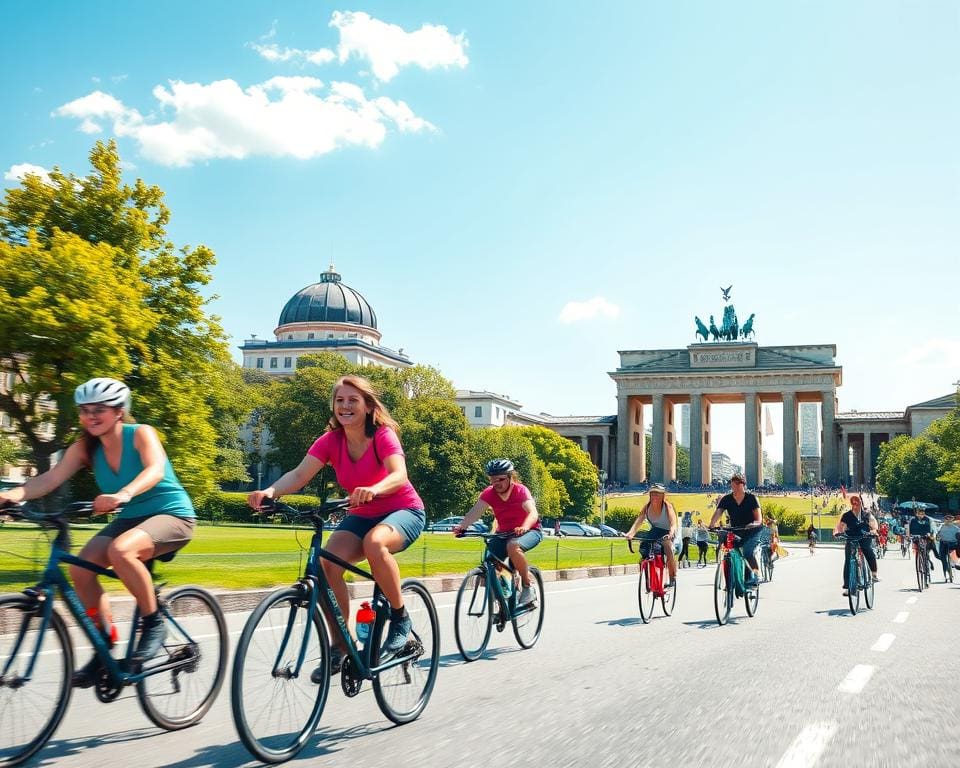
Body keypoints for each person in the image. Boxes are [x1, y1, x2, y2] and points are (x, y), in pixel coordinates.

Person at [0, 378, 196, 688]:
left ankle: (153, 622)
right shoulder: (85, 447)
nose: (91, 416)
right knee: (80, 569)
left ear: (119, 412)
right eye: (85, 410)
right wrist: (12, 495)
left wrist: (124, 494)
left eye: (99, 410)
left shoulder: (140, 434)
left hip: (172, 515)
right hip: (131, 519)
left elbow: (155, 469)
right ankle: (104, 642)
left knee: (122, 550)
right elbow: (50, 479)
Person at [247, 375, 425, 681]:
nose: (345, 406)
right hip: (361, 512)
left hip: (403, 510)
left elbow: (399, 475)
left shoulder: (382, 435)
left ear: (368, 406)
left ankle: (400, 617)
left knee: (375, 543)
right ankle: (341, 646)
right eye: (340, 400)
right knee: (325, 565)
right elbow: (300, 473)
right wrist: (271, 492)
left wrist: (375, 488)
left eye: (353, 400)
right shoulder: (330, 441)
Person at [454, 458, 543, 606]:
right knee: (490, 562)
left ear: (510, 477)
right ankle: (505, 589)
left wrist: (525, 527)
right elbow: (474, 512)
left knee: (513, 546)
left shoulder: (520, 491)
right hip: (503, 533)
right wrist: (462, 526)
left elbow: (533, 513)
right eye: (492, 480)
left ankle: (528, 587)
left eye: (500, 479)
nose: (496, 484)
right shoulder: (489, 493)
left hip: (530, 531)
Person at [709, 473, 763, 586]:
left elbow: (759, 519)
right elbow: (718, 512)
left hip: (752, 531)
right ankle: (732, 577)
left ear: (743, 485)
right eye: (733, 485)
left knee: (748, 552)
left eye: (738, 485)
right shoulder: (727, 499)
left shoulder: (751, 498)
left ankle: (756, 575)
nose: (735, 487)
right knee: (731, 550)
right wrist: (712, 525)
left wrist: (753, 524)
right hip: (736, 530)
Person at [624, 484, 678, 585]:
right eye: (652, 494)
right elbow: (639, 521)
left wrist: (671, 533)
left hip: (667, 531)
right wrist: (631, 533)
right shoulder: (647, 507)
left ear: (663, 496)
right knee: (644, 545)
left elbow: (673, 522)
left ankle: (672, 577)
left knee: (668, 549)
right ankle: (647, 568)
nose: (655, 497)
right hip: (655, 530)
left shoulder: (667, 506)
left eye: (657, 494)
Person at [832, 494, 879, 595]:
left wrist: (874, 531)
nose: (855, 505)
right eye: (853, 503)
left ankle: (874, 574)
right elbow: (840, 526)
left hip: (864, 537)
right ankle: (848, 587)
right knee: (848, 560)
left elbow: (873, 524)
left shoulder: (867, 514)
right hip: (851, 538)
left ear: (861, 503)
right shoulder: (847, 515)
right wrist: (837, 532)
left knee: (868, 550)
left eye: (857, 503)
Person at [907, 508, 936, 574]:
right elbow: (908, 528)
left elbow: (932, 529)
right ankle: (920, 561)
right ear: (916, 513)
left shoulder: (928, 519)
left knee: (926, 551)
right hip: (915, 536)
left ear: (924, 513)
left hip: (926, 536)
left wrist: (931, 535)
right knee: (918, 548)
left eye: (922, 514)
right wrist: (908, 535)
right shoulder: (913, 519)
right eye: (919, 514)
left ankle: (927, 564)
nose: (920, 515)